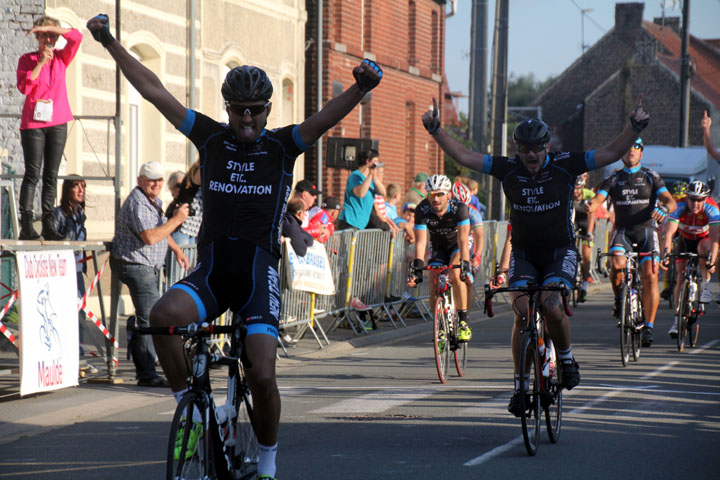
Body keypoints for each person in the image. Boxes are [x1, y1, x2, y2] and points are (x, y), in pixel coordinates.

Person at [87, 13, 383, 480]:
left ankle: (266, 462)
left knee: (262, 374)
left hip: (257, 280)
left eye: (256, 109)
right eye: (239, 109)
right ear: (227, 109)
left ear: (267, 111)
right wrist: (109, 42)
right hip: (211, 274)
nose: (247, 117)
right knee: (163, 317)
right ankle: (192, 408)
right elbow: (154, 92)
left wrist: (361, 89)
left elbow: (323, 119)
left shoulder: (284, 146)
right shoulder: (211, 139)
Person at [422, 94, 651, 416]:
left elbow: (610, 153)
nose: (530, 155)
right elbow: (464, 156)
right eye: (524, 149)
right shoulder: (508, 169)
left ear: (546, 147)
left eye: (536, 148)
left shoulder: (565, 164)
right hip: (525, 251)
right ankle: (519, 386)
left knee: (552, 304)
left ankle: (567, 359)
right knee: (522, 310)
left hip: (560, 251)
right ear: (517, 149)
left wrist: (633, 127)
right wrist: (436, 131)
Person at [588, 137, 677, 347]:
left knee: (650, 276)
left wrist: (664, 209)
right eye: (627, 147)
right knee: (615, 264)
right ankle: (620, 299)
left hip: (646, 232)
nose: (631, 150)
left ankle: (648, 326)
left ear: (641, 152)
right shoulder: (614, 177)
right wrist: (587, 205)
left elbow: (670, 201)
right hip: (623, 231)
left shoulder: (650, 175)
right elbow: (598, 200)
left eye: (636, 147)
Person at [110, 161, 190, 387]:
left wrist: (176, 249)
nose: (156, 183)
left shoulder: (153, 201)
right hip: (135, 264)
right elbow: (151, 237)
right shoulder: (138, 203)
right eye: (151, 179)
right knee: (151, 318)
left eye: (159, 180)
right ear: (140, 180)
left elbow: (161, 231)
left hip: (147, 265)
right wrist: (177, 219)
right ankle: (147, 374)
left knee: (148, 317)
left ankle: (144, 362)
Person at [17, 16, 83, 240]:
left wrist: (53, 28)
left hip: (58, 122)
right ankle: (26, 223)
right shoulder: (28, 59)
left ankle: (48, 224)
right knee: (33, 173)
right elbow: (25, 87)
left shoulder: (62, 59)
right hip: (34, 124)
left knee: (51, 176)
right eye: (44, 35)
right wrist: (41, 62)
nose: (48, 39)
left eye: (52, 35)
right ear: (37, 37)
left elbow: (77, 36)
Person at [407, 174, 473, 342]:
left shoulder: (459, 209)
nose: (435, 198)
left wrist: (465, 264)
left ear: (448, 194)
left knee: (455, 275)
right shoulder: (422, 209)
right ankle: (439, 325)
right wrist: (417, 268)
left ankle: (463, 322)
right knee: (434, 281)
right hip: (437, 247)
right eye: (431, 194)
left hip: (457, 246)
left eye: (439, 194)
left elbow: (463, 241)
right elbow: (421, 242)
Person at [662, 181, 719, 336]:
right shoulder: (679, 207)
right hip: (685, 240)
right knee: (680, 275)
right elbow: (668, 234)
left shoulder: (712, 209)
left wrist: (712, 261)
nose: (695, 203)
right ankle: (676, 321)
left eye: (700, 200)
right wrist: (666, 256)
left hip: (704, 240)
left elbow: (715, 239)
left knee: (704, 248)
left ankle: (705, 286)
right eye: (692, 199)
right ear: (686, 197)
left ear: (705, 200)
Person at [52, 175, 88, 357]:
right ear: (68, 190)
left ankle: (77, 349)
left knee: (80, 310)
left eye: (83, 186)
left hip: (78, 270)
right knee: (64, 311)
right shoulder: (58, 213)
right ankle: (63, 349)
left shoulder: (80, 214)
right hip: (64, 271)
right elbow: (53, 240)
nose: (81, 191)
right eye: (77, 187)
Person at [336, 148, 387, 230]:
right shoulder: (355, 176)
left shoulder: (371, 180)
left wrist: (375, 178)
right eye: (375, 161)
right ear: (368, 161)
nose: (377, 164)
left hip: (361, 224)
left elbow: (383, 193)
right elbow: (360, 193)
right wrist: (370, 175)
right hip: (350, 222)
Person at [166, 162, 203, 245]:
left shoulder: (200, 188)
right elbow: (202, 168)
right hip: (183, 229)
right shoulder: (190, 186)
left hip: (193, 231)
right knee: (181, 257)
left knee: (189, 257)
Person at [572, 176, 596, 302]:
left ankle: (585, 286)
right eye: (574, 188)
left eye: (578, 188)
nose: (575, 191)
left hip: (587, 223)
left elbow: (592, 214)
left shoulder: (588, 195)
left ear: (582, 188)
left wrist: (590, 232)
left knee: (586, 256)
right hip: (574, 221)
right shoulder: (568, 194)